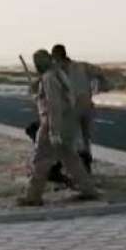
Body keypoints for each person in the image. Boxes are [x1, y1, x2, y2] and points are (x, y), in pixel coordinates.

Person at [17, 49, 99, 206]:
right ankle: (89, 190)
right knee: (71, 159)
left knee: (41, 159)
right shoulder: (58, 75)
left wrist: (54, 131)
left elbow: (54, 105)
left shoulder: (49, 78)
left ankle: (33, 196)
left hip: (52, 124)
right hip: (65, 124)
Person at [51, 44, 108, 172]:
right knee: (83, 138)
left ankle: (81, 165)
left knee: (76, 138)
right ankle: (84, 165)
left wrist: (99, 87)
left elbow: (99, 73)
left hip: (76, 108)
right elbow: (99, 72)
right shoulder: (80, 67)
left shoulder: (62, 71)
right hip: (82, 106)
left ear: (57, 56)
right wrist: (100, 86)